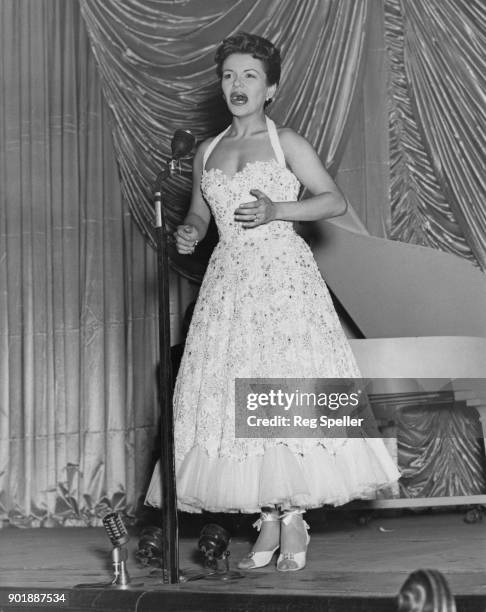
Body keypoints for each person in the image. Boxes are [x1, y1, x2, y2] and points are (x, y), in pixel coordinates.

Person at [146, 32, 400, 572]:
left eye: (250, 77)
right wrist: (189, 233)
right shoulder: (206, 151)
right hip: (228, 285)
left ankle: (294, 517)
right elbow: (200, 214)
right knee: (237, 396)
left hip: (284, 280)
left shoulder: (287, 142)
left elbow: (333, 200)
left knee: (285, 388)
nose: (237, 85)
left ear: (271, 89)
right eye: (229, 76)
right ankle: (267, 517)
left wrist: (277, 210)